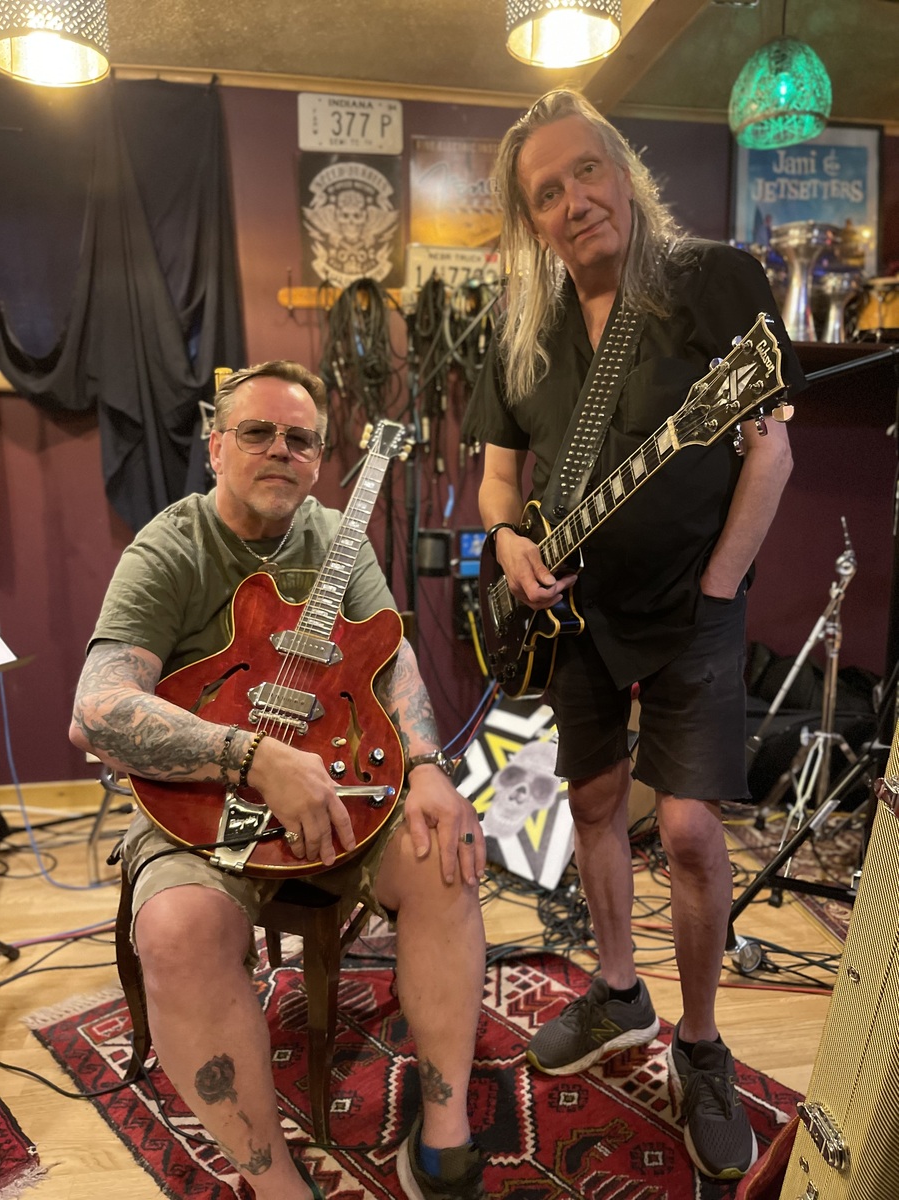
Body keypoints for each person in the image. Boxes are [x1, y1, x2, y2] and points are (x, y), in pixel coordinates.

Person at [461, 89, 806, 1182]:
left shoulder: (711, 279)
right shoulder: (524, 328)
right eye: (545, 193)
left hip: (693, 602)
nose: (573, 201)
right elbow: (498, 477)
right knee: (594, 801)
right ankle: (618, 989)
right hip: (576, 611)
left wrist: (719, 585)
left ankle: (700, 1045)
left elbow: (770, 449)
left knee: (693, 829)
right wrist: (508, 542)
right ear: (531, 222)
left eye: (586, 171)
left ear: (625, 172)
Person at [70, 360, 488, 1200]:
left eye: (300, 439)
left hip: (344, 780)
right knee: (179, 932)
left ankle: (445, 1132)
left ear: (320, 459)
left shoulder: (336, 535)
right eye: (257, 432)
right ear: (215, 446)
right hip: (201, 806)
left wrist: (430, 769)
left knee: (445, 852)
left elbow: (394, 652)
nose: (279, 450)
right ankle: (273, 1179)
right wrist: (253, 757)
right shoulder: (171, 545)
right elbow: (97, 708)